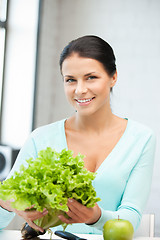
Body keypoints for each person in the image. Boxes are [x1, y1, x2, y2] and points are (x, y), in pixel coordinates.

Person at [0, 35, 156, 235]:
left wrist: (96, 217)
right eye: (70, 80)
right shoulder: (40, 139)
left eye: (91, 77)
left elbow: (131, 217)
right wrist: (7, 203)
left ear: (113, 77)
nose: (80, 90)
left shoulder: (141, 138)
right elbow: (5, 204)